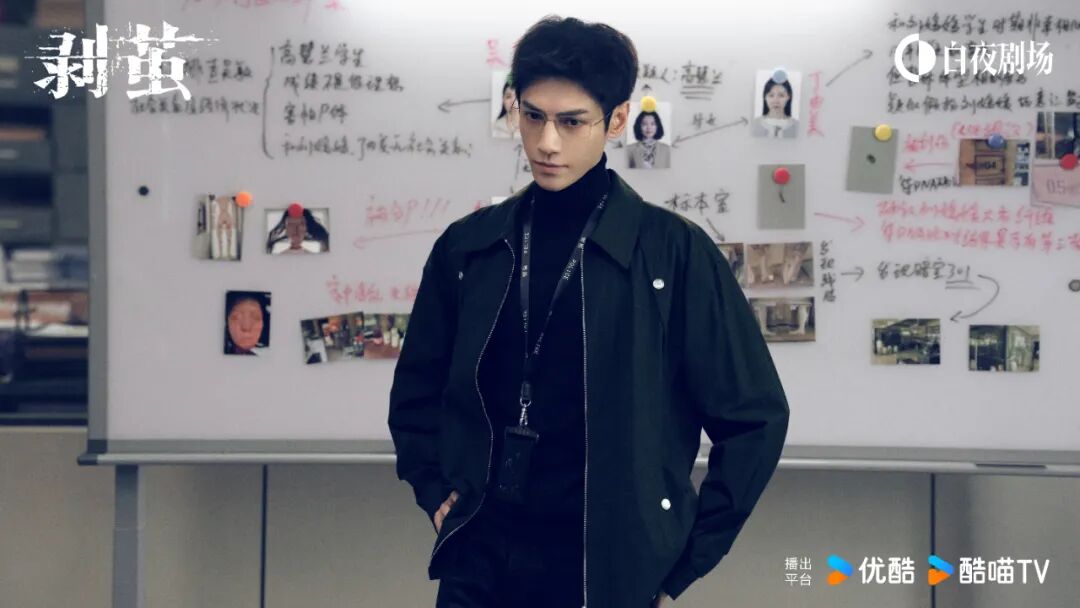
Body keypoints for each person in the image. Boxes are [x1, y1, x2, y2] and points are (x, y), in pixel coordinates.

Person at [388, 15, 789, 608]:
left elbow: (754, 416)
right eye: (532, 116)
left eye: (572, 122)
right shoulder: (470, 247)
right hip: (480, 560)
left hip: (606, 568)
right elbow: (416, 390)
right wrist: (432, 486)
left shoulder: (673, 253)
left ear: (617, 120)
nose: (547, 142)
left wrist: (682, 558)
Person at [266, 207, 330, 254]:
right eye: (291, 224)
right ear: (286, 229)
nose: (296, 228)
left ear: (306, 229)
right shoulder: (278, 258)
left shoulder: (313, 257)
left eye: (301, 224)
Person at [492, 74, 521, 139]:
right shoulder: (496, 127)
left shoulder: (534, 127)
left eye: (518, 95)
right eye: (508, 96)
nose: (514, 101)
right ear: (503, 100)